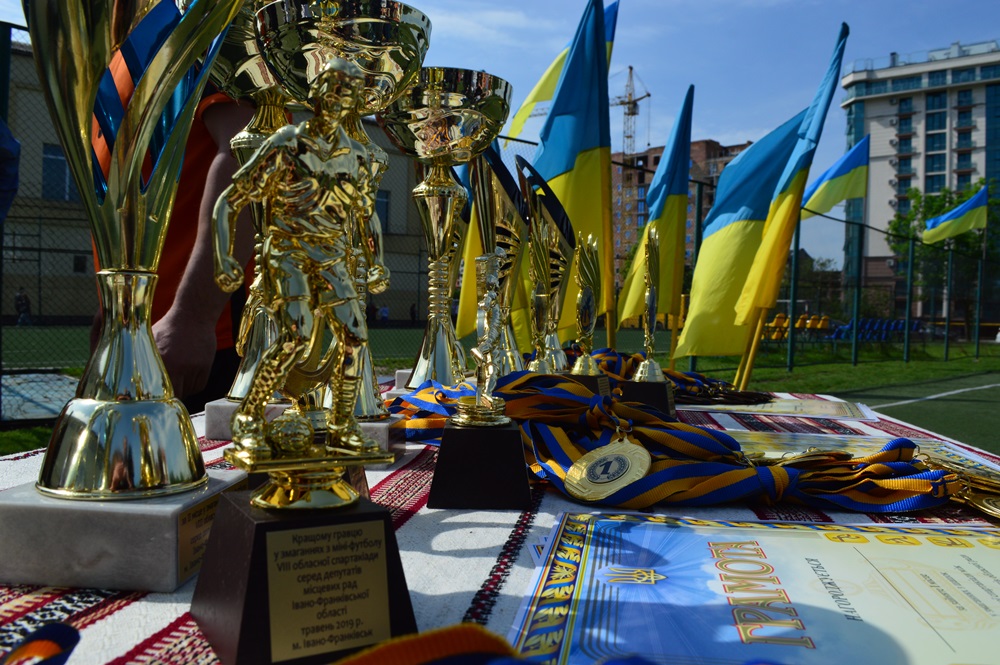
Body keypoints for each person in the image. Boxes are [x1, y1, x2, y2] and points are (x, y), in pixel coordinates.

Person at [213, 59, 381, 452]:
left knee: (354, 336)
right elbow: (231, 200)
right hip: (288, 250)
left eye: (349, 92)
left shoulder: (356, 156)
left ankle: (342, 423)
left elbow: (366, 215)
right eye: (334, 88)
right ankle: (250, 416)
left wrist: (376, 263)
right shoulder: (287, 143)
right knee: (296, 336)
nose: (340, 98)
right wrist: (223, 256)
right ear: (317, 93)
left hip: (331, 256)